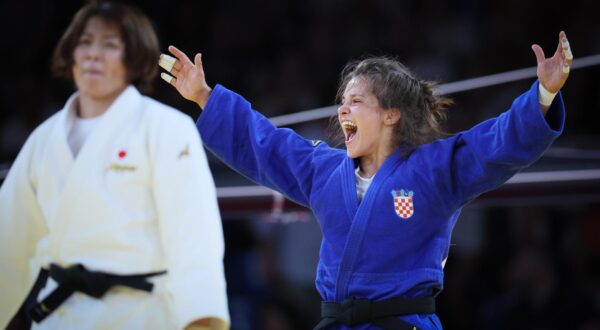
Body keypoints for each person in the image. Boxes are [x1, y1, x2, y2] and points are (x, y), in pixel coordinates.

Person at [158, 31, 572, 329]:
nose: (342, 111)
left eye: (355, 101)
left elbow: (494, 143)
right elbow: (265, 145)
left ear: (390, 114)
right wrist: (205, 97)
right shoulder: (325, 170)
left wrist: (543, 96)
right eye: (342, 102)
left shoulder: (433, 170)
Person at [0, 2, 229, 329]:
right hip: (61, 316)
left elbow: (194, 239)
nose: (94, 54)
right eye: (85, 42)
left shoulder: (167, 128)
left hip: (141, 314)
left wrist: (202, 320)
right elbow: (10, 245)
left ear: (133, 58)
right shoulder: (44, 139)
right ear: (71, 53)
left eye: (109, 45)